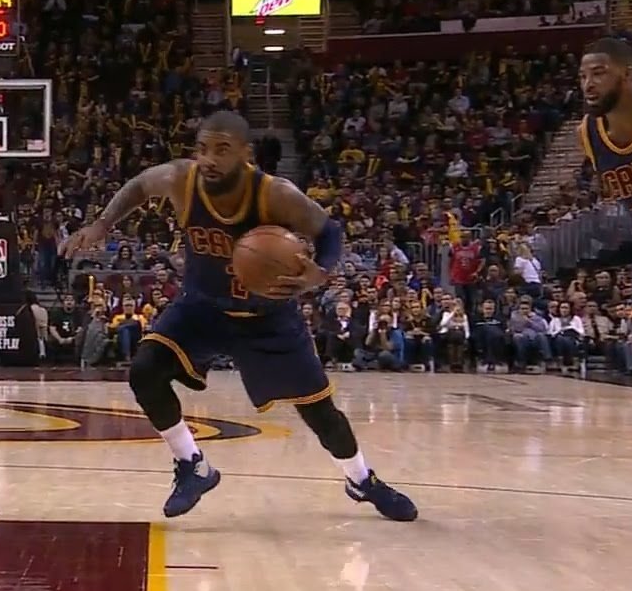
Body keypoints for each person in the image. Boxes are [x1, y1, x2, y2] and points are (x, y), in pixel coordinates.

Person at [61, 111, 416, 521]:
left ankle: (361, 479)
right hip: (202, 307)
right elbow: (140, 184)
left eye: (222, 150)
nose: (209, 159)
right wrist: (102, 224)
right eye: (202, 149)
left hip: (267, 316)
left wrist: (319, 272)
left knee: (321, 414)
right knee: (144, 371)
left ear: (246, 154)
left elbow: (329, 232)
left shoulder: (275, 195)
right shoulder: (181, 179)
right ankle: (193, 465)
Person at [578, 37, 632, 335]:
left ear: (628, 73)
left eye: (599, 73)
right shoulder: (588, 133)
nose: (588, 84)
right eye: (583, 76)